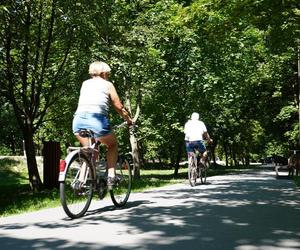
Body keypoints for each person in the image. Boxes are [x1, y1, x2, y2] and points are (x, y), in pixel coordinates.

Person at [72, 61, 132, 189]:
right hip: (97, 120)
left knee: (90, 151)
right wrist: (128, 119)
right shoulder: (107, 84)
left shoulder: (85, 84)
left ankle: (81, 181)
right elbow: (118, 105)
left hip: (78, 120)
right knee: (112, 144)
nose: (108, 75)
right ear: (103, 73)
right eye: (108, 73)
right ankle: (111, 176)